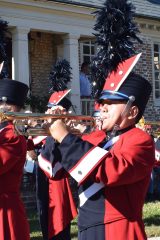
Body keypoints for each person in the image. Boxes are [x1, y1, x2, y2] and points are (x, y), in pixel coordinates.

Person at [37, 91, 77, 240]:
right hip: (42, 181)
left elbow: (52, 165)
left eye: (53, 110)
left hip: (56, 182)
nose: (48, 113)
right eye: (49, 109)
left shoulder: (64, 133)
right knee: (44, 218)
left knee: (57, 225)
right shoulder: (44, 131)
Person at [0, 78, 30, 240]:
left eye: (8, 105)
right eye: (0, 104)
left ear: (17, 108)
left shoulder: (13, 135)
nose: (3, 108)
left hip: (5, 208)